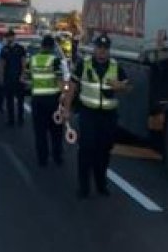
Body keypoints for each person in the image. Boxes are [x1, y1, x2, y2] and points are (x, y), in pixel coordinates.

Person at [62, 34, 131, 198]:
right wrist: (66, 108)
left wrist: (119, 85)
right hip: (88, 113)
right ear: (94, 49)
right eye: (99, 48)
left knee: (104, 150)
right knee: (86, 149)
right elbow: (71, 87)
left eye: (105, 49)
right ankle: (83, 186)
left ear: (109, 51)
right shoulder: (84, 64)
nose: (102, 52)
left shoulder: (115, 66)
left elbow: (128, 87)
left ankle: (101, 183)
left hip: (108, 115)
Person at [25, 34, 68, 167]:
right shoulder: (55, 61)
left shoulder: (32, 60)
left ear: (42, 46)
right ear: (52, 47)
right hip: (53, 100)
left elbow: (28, 78)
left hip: (37, 100)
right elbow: (61, 81)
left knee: (40, 132)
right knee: (56, 131)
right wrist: (65, 92)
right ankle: (57, 157)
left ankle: (42, 159)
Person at [0, 28, 27, 126]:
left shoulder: (20, 48)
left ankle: (20, 118)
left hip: (18, 77)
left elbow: (23, 62)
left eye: (11, 36)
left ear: (14, 37)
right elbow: (2, 64)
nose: (9, 38)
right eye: (8, 37)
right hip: (8, 77)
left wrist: (23, 74)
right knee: (9, 100)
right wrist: (1, 77)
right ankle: (11, 120)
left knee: (20, 100)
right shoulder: (4, 49)